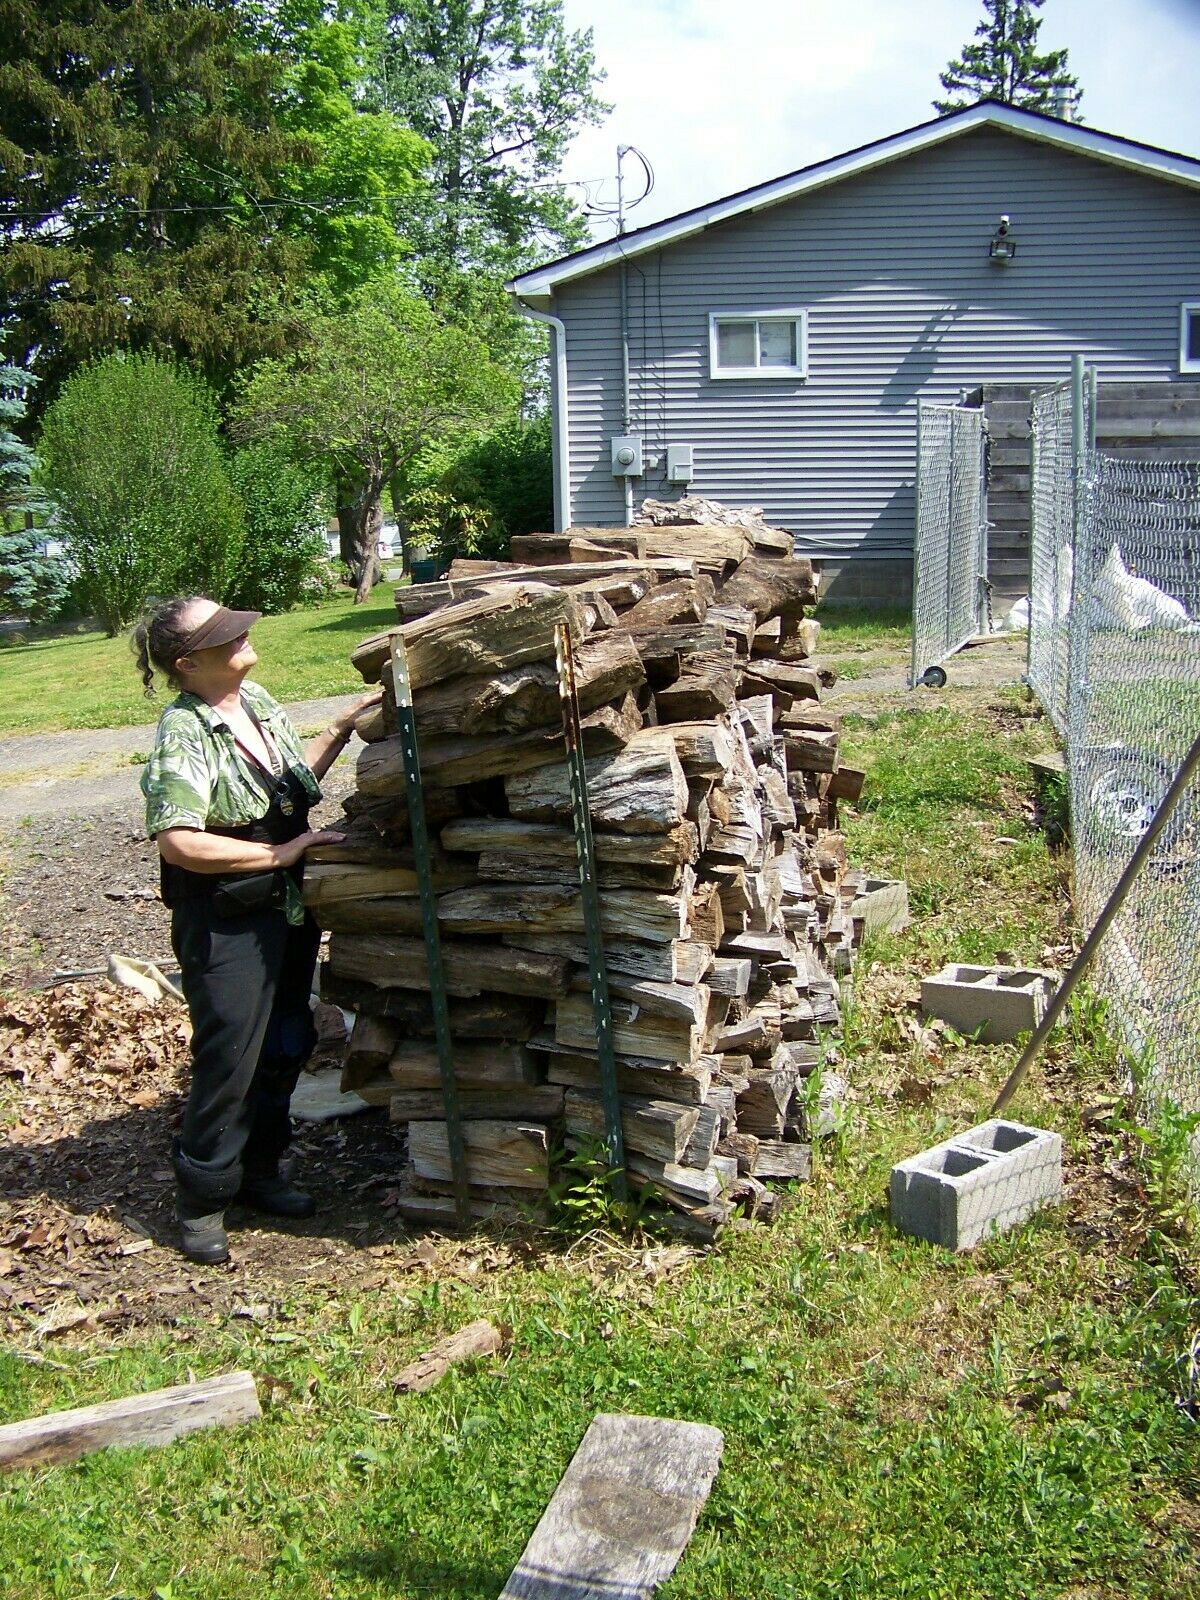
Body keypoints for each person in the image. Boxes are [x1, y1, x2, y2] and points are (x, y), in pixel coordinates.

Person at [134, 596, 378, 1264]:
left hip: (284, 909)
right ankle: (203, 1198)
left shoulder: (259, 702)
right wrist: (279, 855)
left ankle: (261, 1174)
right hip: (225, 921)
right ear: (189, 663)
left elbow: (289, 794)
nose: (242, 634)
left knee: (286, 1043)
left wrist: (339, 730)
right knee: (230, 1056)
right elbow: (179, 842)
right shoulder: (184, 730)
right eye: (223, 633)